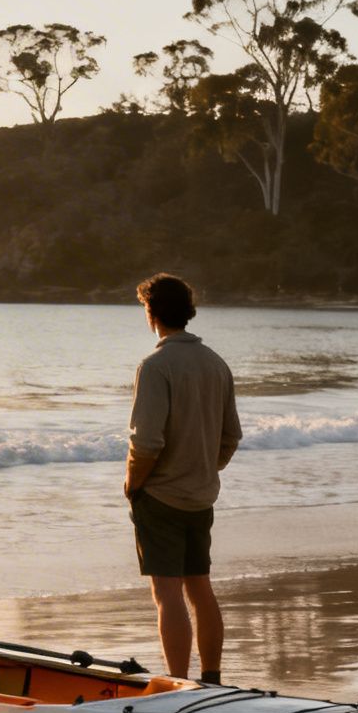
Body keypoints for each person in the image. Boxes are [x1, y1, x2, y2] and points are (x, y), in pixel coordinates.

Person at [124, 273, 240, 685]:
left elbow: (147, 441)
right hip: (200, 494)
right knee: (200, 587)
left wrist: (133, 483)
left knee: (167, 593)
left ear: (152, 313)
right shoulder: (216, 364)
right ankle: (210, 677)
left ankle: (178, 681)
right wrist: (205, 467)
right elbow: (231, 436)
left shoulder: (155, 366)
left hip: (162, 494)